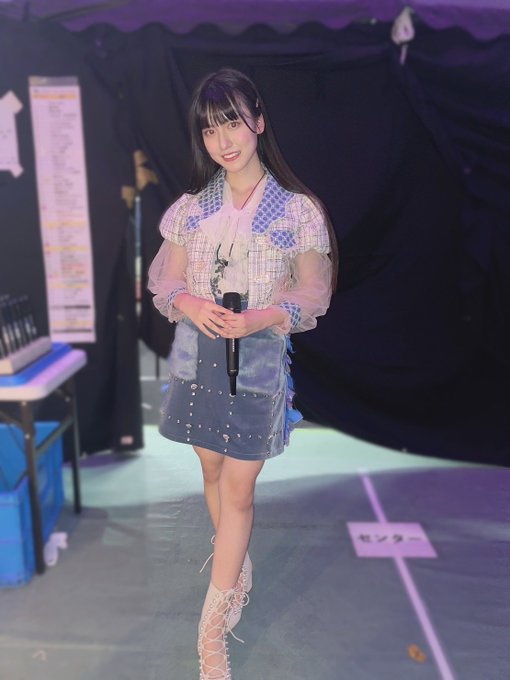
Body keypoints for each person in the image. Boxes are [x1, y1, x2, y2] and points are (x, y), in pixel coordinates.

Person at [148, 67, 338, 680]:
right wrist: (188, 302)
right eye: (210, 130)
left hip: (256, 357)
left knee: (239, 489)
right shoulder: (190, 209)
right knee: (210, 470)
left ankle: (210, 637)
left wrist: (263, 316)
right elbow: (164, 281)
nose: (223, 140)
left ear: (257, 119)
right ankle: (236, 569)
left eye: (231, 122)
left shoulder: (297, 210)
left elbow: (312, 293)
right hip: (196, 353)